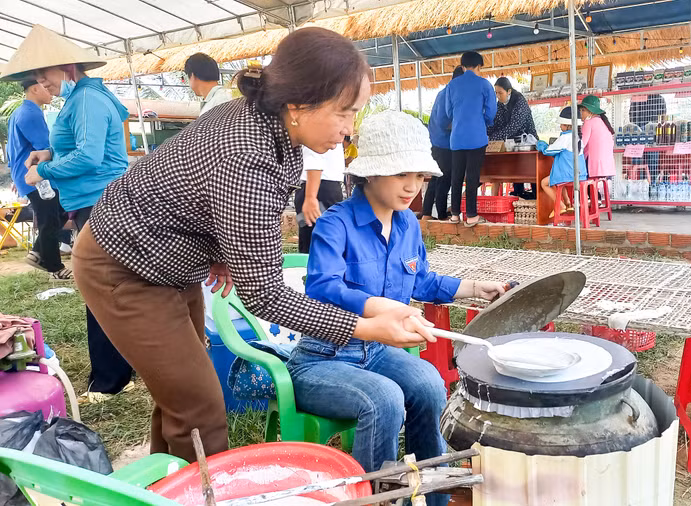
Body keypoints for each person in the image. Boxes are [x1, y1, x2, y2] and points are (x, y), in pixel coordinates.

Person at [68, 27, 431, 463]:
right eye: (344, 113)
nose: (349, 130)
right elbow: (263, 294)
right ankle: (201, 490)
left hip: (172, 257)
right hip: (125, 263)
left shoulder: (280, 131)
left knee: (181, 389)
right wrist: (365, 327)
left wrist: (223, 252)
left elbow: (213, 197)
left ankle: (168, 486)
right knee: (199, 405)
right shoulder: (248, 152)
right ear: (299, 103)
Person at [290, 110, 506, 506]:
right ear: (370, 173)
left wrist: (476, 288)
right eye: (402, 174)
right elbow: (322, 286)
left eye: (421, 177)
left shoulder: (407, 223)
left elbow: (421, 280)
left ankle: (435, 496)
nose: (413, 187)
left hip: (378, 353)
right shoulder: (335, 223)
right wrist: (384, 307)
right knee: (385, 398)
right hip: (324, 358)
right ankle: (380, 499)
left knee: (429, 383)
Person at [2, 25, 135, 402]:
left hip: (101, 201)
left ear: (67, 67)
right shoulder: (82, 98)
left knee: (100, 287)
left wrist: (40, 170)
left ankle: (110, 380)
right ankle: (122, 367)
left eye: (44, 75)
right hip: (94, 201)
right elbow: (80, 147)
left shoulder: (88, 100)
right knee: (109, 286)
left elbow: (91, 156)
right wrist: (48, 155)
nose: (42, 82)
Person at [5, 79, 71, 280]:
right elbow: (45, 147)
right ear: (34, 88)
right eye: (45, 86)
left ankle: (37, 252)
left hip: (24, 173)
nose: (51, 90)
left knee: (56, 214)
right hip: (35, 174)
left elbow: (12, 150)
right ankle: (54, 267)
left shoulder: (19, 112)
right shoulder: (31, 113)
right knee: (50, 218)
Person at [444, 51, 496, 227]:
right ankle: (472, 216)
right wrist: (484, 121)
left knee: (456, 176)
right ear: (479, 66)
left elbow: (448, 112)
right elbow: (491, 112)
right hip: (476, 138)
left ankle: (455, 215)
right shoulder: (484, 84)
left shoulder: (452, 85)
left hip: (457, 138)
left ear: (463, 66)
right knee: (472, 177)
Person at [421, 66, 464, 220]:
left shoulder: (443, 92)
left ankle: (427, 213)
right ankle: (440, 215)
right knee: (445, 179)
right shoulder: (451, 94)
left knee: (436, 178)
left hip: (435, 141)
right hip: (445, 143)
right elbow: (445, 122)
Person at [488, 76, 538, 198]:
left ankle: (535, 196)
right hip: (511, 144)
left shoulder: (520, 102)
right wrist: (486, 134)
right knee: (515, 170)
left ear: (509, 91)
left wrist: (492, 138)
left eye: (500, 93)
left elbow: (513, 127)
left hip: (527, 142)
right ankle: (518, 194)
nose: (498, 96)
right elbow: (496, 123)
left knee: (532, 171)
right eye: (496, 93)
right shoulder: (499, 105)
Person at [294, 144, 345, 253]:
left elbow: (315, 154)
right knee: (318, 244)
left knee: (318, 243)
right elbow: (315, 154)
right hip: (321, 188)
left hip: (320, 187)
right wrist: (310, 196)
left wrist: (310, 196)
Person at [538, 107, 587, 218]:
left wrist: (542, 146)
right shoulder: (578, 137)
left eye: (562, 124)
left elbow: (549, 151)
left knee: (544, 183)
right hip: (580, 174)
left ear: (568, 125)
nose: (560, 126)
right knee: (559, 182)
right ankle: (568, 203)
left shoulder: (565, 137)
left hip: (568, 174)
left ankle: (560, 206)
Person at [578, 95, 616, 179]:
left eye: (583, 110)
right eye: (580, 110)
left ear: (591, 111)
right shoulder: (603, 123)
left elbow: (581, 144)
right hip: (607, 166)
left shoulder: (589, 123)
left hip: (594, 165)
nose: (581, 113)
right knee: (592, 189)